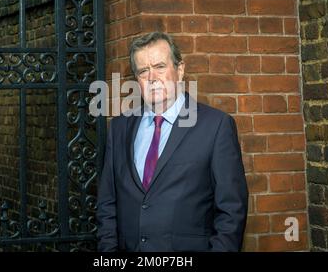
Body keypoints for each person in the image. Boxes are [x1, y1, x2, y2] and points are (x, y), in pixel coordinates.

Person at [96, 32, 248, 252]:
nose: (152, 78)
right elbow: (107, 204)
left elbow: (232, 211)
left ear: (180, 69)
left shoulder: (215, 126)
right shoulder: (120, 128)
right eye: (143, 71)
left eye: (159, 66)